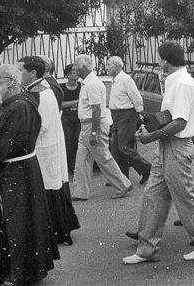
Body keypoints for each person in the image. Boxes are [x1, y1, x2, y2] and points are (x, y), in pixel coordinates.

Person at [123, 42, 194, 264]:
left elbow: (180, 123)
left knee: (185, 196)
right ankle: (147, 249)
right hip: (168, 146)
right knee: (153, 194)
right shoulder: (176, 81)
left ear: (165, 61)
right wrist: (150, 127)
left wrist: (151, 137)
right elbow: (169, 115)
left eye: (159, 59)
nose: (158, 63)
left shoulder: (183, 83)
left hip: (178, 145)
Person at [0, 64, 59, 285]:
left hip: (15, 172)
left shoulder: (17, 107)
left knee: (18, 222)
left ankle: (21, 272)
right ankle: (10, 268)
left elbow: (2, 144)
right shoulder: (16, 103)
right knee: (17, 221)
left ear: (11, 81)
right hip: (19, 170)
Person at [18, 56, 80, 246]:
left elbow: (40, 125)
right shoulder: (43, 88)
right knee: (53, 187)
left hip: (44, 147)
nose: (18, 75)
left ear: (32, 73)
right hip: (50, 145)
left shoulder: (40, 93)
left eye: (20, 71)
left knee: (48, 189)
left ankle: (55, 233)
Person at [71, 54, 132, 201]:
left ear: (84, 67)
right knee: (82, 159)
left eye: (76, 65)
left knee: (102, 157)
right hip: (87, 124)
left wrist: (94, 132)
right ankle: (80, 192)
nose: (74, 68)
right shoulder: (87, 82)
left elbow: (96, 110)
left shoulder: (92, 84)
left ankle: (122, 184)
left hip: (92, 124)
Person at [107, 56, 151, 184]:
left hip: (126, 115)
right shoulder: (115, 80)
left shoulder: (125, 80)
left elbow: (136, 98)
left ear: (116, 66)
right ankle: (121, 178)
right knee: (116, 148)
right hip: (116, 115)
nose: (107, 67)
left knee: (124, 147)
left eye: (109, 65)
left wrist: (139, 114)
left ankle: (147, 169)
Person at [61, 64, 82, 173]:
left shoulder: (82, 86)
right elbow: (60, 105)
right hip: (66, 117)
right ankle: (67, 166)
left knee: (77, 140)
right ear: (68, 74)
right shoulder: (62, 88)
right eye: (74, 72)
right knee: (68, 141)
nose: (76, 74)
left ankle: (75, 166)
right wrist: (77, 102)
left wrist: (69, 104)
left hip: (79, 116)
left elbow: (84, 103)